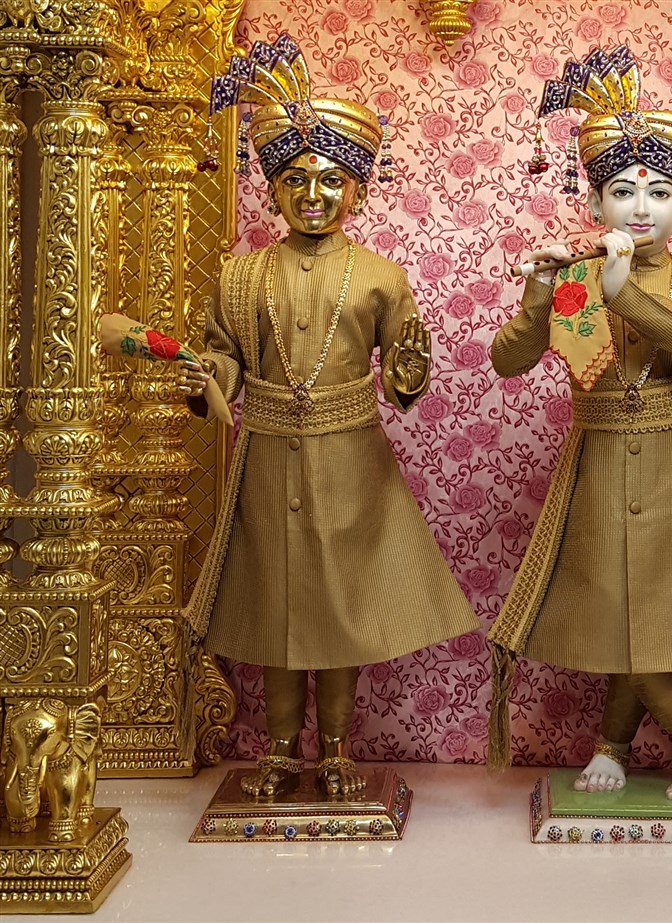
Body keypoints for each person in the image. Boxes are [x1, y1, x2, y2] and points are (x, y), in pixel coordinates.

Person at [179, 34, 478, 799]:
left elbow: (404, 372)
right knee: (278, 608)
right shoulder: (241, 275)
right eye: (294, 179)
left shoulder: (379, 277)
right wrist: (204, 375)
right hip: (267, 452)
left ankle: (339, 748)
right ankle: (281, 749)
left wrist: (408, 368)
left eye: (329, 180)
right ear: (271, 191)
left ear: (358, 193)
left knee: (341, 608)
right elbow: (225, 358)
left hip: (351, 461)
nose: (311, 194)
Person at [487, 46, 672, 803]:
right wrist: (541, 296)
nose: (641, 207)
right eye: (622, 191)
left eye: (660, 192)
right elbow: (509, 361)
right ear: (595, 201)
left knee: (655, 609)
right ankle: (620, 740)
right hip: (598, 461)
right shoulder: (572, 278)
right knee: (615, 604)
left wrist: (623, 293)